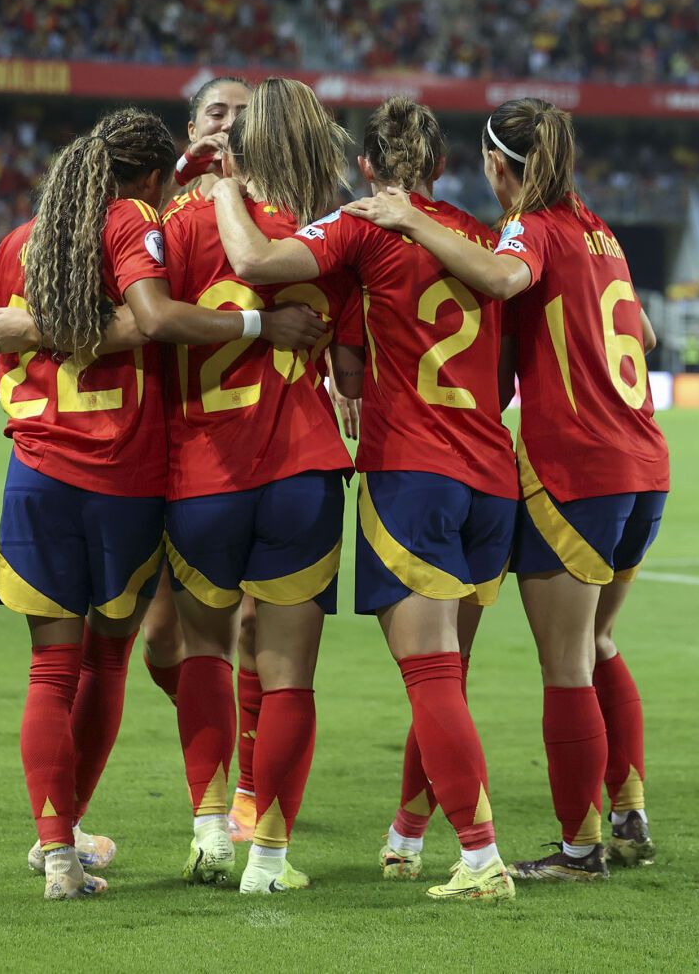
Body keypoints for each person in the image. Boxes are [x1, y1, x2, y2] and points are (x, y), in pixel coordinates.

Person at [0, 107, 316, 900]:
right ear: (152, 178)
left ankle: (59, 850)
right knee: (106, 659)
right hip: (123, 479)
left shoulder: (22, 239)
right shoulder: (134, 224)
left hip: (35, 475)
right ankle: (191, 818)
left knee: (48, 672)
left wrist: (39, 329)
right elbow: (154, 321)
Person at [346, 97, 669, 882]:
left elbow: (499, 274)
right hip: (646, 465)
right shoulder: (601, 231)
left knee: (563, 664)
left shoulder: (531, 225)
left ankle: (580, 850)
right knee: (596, 645)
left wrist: (410, 219)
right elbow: (647, 335)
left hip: (577, 468)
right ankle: (626, 808)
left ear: (496, 164)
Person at [214, 96, 519, 902]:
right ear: (444, 164)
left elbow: (255, 265)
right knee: (449, 674)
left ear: (367, 167)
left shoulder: (360, 225)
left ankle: (483, 859)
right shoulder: (481, 236)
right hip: (493, 476)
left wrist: (223, 187)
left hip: (414, 471)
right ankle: (408, 834)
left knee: (431, 678)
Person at [159, 78, 360, 895]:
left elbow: (143, 321)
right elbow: (351, 368)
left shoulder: (179, 223)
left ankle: (209, 827)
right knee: (289, 676)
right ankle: (269, 857)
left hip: (202, 469)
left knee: (200, 650)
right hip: (304, 470)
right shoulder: (330, 234)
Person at [146, 73, 279, 845]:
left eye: (243, 113)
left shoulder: (276, 209)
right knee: (166, 637)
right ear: (191, 123)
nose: (229, 122)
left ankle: (249, 791)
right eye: (216, 111)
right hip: (175, 443)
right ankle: (223, 752)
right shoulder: (157, 213)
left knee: (255, 628)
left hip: (258, 442)